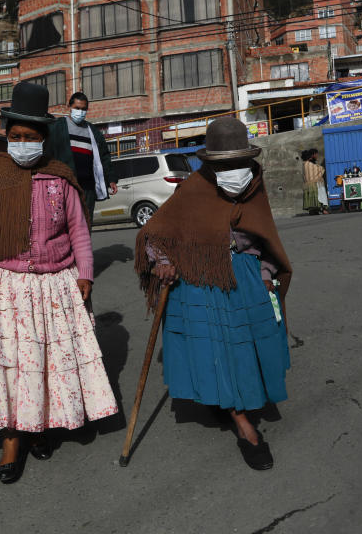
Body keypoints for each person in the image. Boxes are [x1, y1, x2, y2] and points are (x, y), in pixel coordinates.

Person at [0, 82, 118, 484]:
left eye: (30, 137)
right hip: (3, 287)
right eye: (15, 137)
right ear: (7, 137)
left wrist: (85, 274)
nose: (21, 143)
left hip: (53, 285)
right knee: (10, 368)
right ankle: (11, 440)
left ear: (44, 139)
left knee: (44, 365)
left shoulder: (59, 177)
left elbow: (79, 231)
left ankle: (40, 426)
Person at [134, 117, 292, 471]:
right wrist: (162, 261)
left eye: (239, 164)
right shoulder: (192, 189)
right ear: (210, 165)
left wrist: (267, 273)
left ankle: (230, 400)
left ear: (249, 161)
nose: (233, 172)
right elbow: (155, 233)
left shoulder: (255, 186)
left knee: (249, 347)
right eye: (224, 165)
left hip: (247, 277)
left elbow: (267, 239)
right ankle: (245, 426)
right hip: (200, 278)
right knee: (217, 347)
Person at [44, 92, 118, 221]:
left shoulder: (93, 132)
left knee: (85, 222)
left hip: (87, 188)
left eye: (84, 109)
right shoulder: (56, 128)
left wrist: (111, 179)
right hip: (64, 186)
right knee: (64, 223)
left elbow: (104, 156)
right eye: (77, 108)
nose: (80, 112)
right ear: (69, 107)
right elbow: (47, 154)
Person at [301, 148, 329, 215]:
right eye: (316, 154)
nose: (317, 156)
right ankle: (322, 209)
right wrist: (321, 168)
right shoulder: (308, 164)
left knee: (312, 197)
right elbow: (319, 170)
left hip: (308, 184)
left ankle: (313, 210)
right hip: (314, 184)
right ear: (312, 155)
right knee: (317, 196)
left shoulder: (306, 163)